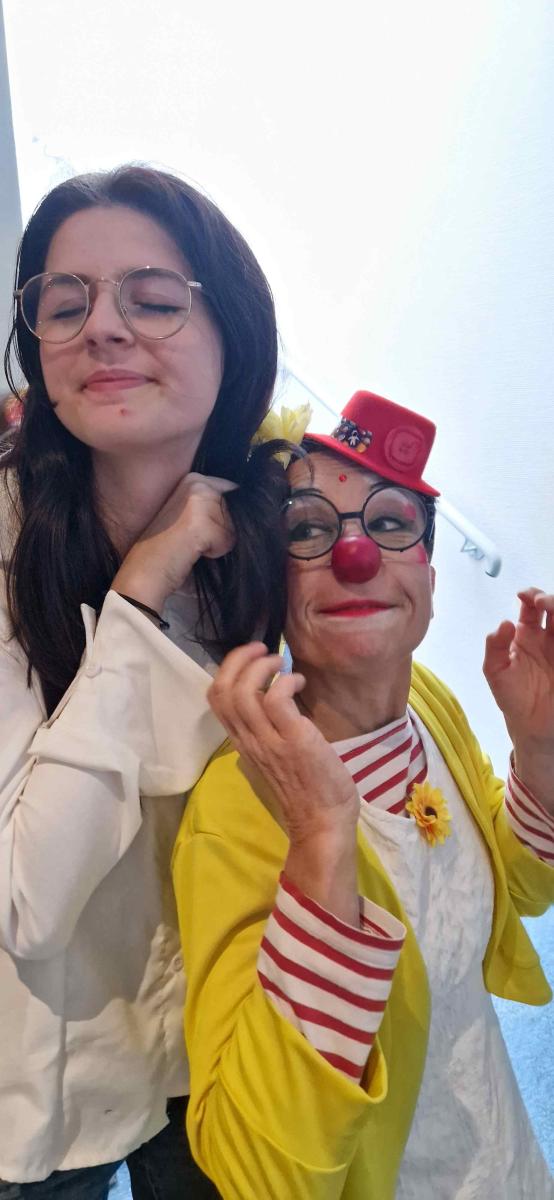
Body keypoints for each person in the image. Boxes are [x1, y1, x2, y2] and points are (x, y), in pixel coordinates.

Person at [173, 390, 554, 1199]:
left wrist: (540, 750)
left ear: (429, 576)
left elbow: (519, 892)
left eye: (389, 523)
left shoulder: (430, 707)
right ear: (273, 582)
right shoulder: (237, 807)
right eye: (308, 531)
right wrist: (319, 837)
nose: (356, 555)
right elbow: (258, 1171)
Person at [0, 164, 287, 1199]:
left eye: (154, 299)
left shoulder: (279, 534)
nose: (103, 330)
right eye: (63, 305)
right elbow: (28, 901)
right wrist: (138, 595)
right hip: (48, 1076)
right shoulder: (9, 541)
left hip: (220, 1038)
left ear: (232, 332)